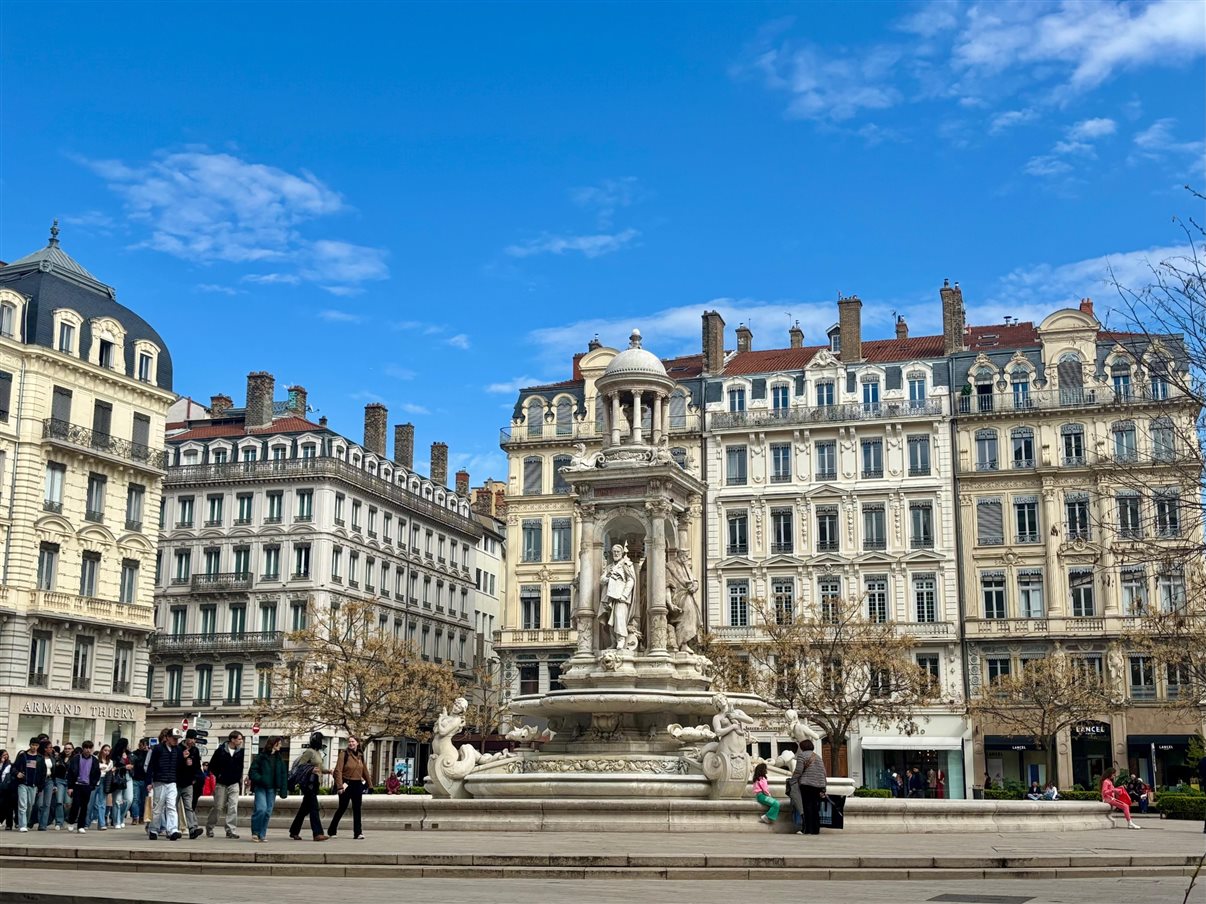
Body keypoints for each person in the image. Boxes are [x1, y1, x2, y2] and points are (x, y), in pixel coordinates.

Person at [289, 732, 331, 841]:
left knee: (304, 809)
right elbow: (300, 766)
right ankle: (317, 833)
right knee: (314, 807)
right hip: (308, 783)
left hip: (315, 782)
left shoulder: (317, 753)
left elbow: (319, 767)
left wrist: (328, 771)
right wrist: (311, 769)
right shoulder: (309, 752)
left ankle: (294, 831)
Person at [328, 735, 368, 839]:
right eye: (349, 742)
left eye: (353, 741)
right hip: (346, 783)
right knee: (342, 807)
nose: (351, 743)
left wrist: (369, 784)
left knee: (357, 809)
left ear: (357, 743)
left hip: (357, 784)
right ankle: (332, 830)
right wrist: (340, 786)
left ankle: (358, 832)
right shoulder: (343, 754)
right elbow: (338, 771)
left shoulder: (360, 755)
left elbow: (365, 770)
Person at [206, 731, 245, 839]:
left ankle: (230, 830)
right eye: (239, 739)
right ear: (232, 740)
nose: (241, 741)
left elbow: (241, 766)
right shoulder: (220, 751)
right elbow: (212, 766)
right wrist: (218, 775)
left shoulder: (241, 752)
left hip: (234, 783)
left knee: (233, 807)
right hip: (221, 783)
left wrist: (239, 778)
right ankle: (210, 827)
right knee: (218, 807)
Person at [248, 736, 287, 843]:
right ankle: (255, 832)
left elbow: (283, 774)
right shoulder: (261, 757)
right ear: (273, 744)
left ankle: (262, 834)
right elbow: (252, 771)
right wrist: (261, 779)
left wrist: (283, 790)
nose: (281, 745)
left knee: (268, 812)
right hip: (261, 787)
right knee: (261, 809)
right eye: (279, 743)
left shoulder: (279, 758)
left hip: (272, 788)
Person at [146, 728, 181, 841]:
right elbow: (151, 765)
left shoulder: (178, 750)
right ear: (167, 738)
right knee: (158, 807)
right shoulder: (158, 749)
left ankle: (172, 830)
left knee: (171, 806)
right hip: (160, 781)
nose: (176, 741)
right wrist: (149, 781)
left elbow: (180, 765)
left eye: (177, 739)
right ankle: (154, 829)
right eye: (174, 738)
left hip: (172, 781)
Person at [790, 739, 827, 836]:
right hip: (818, 785)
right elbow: (823, 772)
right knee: (815, 808)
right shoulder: (818, 757)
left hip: (807, 784)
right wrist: (824, 787)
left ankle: (806, 829)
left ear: (802, 747)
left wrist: (792, 780)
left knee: (806, 807)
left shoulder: (802, 755)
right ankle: (815, 829)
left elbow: (798, 770)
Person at [13, 736, 47, 832]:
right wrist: (17, 773)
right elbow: (14, 767)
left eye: (36, 745)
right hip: (23, 783)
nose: (34, 747)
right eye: (32, 745)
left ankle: (26, 822)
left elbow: (43, 773)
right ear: (29, 745)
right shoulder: (23, 756)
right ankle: (22, 825)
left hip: (34, 785)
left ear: (38, 746)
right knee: (22, 804)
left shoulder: (40, 758)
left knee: (30, 805)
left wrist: (40, 787)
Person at [66, 741, 100, 833]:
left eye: (90, 748)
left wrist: (92, 785)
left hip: (87, 786)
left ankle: (81, 825)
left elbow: (97, 774)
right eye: (86, 748)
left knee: (85, 806)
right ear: (83, 748)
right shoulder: (76, 759)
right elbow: (70, 773)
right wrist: (70, 787)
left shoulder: (95, 760)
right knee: (76, 805)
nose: (88, 750)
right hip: (77, 785)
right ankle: (71, 822)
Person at [176, 730, 204, 839]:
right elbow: (174, 764)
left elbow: (197, 766)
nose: (193, 741)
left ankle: (193, 828)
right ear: (186, 738)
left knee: (189, 806)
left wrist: (195, 778)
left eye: (194, 739)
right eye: (191, 738)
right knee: (173, 806)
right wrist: (183, 759)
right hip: (177, 782)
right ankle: (174, 828)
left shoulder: (195, 750)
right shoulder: (178, 748)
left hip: (188, 783)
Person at [110, 739, 132, 829]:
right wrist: (124, 767)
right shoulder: (114, 755)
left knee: (129, 799)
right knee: (117, 800)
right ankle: (116, 821)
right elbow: (114, 767)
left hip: (129, 777)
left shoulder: (129, 754)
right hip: (118, 777)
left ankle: (121, 817)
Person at [50, 744, 73, 830]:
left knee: (68, 803)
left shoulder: (75, 759)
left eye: (69, 749)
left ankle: (67, 820)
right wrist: (54, 783)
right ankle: (59, 822)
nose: (67, 750)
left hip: (69, 782)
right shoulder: (59, 758)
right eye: (66, 749)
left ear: (72, 749)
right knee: (59, 801)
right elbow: (54, 770)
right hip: (59, 780)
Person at [130, 739, 150, 825]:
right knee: (135, 799)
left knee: (143, 800)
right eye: (142, 745)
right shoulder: (135, 753)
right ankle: (135, 817)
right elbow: (136, 763)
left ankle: (142, 816)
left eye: (145, 745)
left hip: (145, 780)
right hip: (136, 779)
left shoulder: (149, 754)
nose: (144, 747)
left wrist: (147, 752)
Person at [0, 751, 14, 830]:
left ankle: (9, 824)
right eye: (3, 755)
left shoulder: (10, 765)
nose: (5, 756)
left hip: (8, 788)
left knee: (9, 807)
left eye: (6, 754)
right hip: (1, 788)